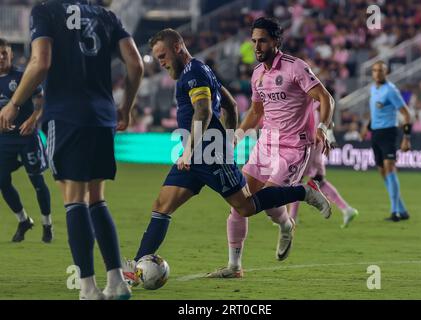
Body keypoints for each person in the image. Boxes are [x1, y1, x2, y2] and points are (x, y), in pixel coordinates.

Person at [122, 28, 332, 285]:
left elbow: (204, 111)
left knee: (245, 207)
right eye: (158, 59)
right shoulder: (199, 70)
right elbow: (231, 104)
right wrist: (230, 138)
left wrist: (194, 150)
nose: (162, 63)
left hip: (208, 155)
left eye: (163, 56)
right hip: (198, 155)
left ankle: (302, 193)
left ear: (178, 47)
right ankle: (136, 269)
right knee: (161, 206)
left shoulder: (195, 73)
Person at [0, 0, 144, 300]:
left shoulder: (45, 10)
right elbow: (135, 63)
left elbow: (41, 62)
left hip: (66, 116)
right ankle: (117, 281)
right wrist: (126, 108)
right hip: (102, 116)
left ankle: (89, 288)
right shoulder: (106, 15)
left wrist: (14, 104)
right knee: (97, 198)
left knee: (74, 200)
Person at [206, 17, 335, 279]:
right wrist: (236, 138)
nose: (257, 46)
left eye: (262, 40)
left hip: (294, 146)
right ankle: (235, 266)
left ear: (276, 41)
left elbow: (325, 97)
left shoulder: (295, 67)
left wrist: (323, 128)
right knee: (239, 202)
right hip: (266, 143)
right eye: (254, 40)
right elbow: (256, 112)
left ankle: (303, 195)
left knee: (266, 199)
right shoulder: (257, 74)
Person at [0, 38, 53, 243]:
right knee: (2, 181)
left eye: (5, 53)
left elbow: (41, 101)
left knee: (37, 181)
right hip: (4, 140)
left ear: (11, 55)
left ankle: (47, 224)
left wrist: (33, 119)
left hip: (26, 138)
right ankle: (23, 220)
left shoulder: (23, 76)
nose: (1, 57)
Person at [289, 103, 359, 229]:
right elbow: (329, 121)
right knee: (319, 180)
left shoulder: (310, 103)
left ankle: (291, 218)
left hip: (309, 145)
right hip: (318, 145)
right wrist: (330, 138)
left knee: (296, 181)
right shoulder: (320, 106)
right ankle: (346, 209)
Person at [360, 61, 412, 222]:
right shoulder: (373, 89)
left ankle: (395, 212)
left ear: (386, 72)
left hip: (389, 132)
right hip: (376, 134)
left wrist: (406, 138)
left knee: (390, 168)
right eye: (375, 71)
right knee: (383, 172)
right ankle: (402, 210)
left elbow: (406, 114)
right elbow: (374, 111)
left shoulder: (391, 90)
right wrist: (366, 127)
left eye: (380, 71)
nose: (377, 73)